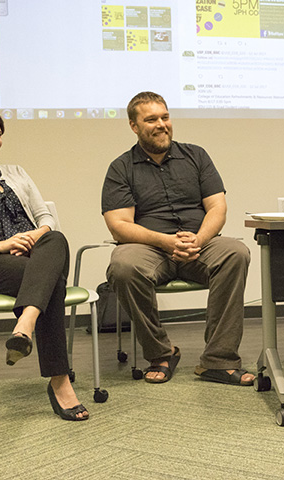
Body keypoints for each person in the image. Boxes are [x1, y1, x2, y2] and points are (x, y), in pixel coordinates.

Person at [0, 104, 88, 421]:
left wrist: (35, 237)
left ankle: (24, 325)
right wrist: (2, 244)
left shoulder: (16, 173)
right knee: (51, 283)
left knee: (56, 238)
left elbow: (46, 218)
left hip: (36, 257)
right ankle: (60, 383)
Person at [102, 92, 253, 385]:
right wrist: (164, 241)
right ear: (134, 126)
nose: (161, 124)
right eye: (151, 120)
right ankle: (162, 352)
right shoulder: (121, 167)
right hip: (150, 249)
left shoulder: (196, 156)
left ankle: (218, 360)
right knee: (122, 266)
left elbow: (217, 208)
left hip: (201, 243)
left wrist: (198, 239)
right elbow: (118, 225)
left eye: (165, 117)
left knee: (236, 252)